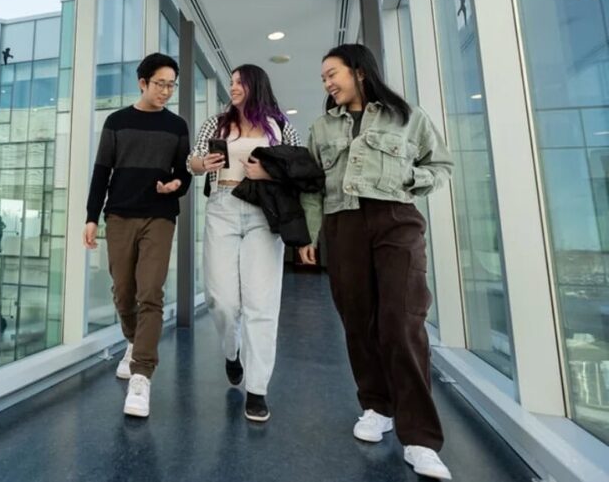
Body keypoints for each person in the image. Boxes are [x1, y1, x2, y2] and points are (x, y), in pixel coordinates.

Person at [298, 44, 454, 480]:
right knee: (357, 320)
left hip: (396, 220)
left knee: (402, 322)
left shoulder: (408, 117)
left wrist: (411, 176)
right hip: (342, 224)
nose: (327, 83)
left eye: (332, 73)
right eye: (324, 78)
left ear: (359, 71)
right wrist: (309, 237)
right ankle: (376, 406)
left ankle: (421, 438)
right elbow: (311, 187)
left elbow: (440, 166)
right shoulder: (321, 127)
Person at [187, 64, 301, 422]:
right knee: (221, 300)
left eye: (239, 82)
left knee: (261, 303)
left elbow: (298, 166)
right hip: (222, 205)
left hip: (264, 211)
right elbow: (191, 161)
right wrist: (202, 163)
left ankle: (257, 389)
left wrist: (267, 172)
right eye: (231, 82)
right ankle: (231, 351)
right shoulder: (216, 123)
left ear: (255, 85)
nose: (233, 87)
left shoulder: (279, 125)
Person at [83, 52, 192, 419]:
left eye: (171, 85)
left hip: (160, 217)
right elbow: (101, 172)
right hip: (119, 215)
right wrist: (91, 217)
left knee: (150, 292)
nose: (166, 91)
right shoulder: (117, 121)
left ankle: (141, 376)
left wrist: (177, 184)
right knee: (123, 291)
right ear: (142, 82)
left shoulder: (177, 126)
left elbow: (184, 172)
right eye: (160, 84)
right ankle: (134, 342)